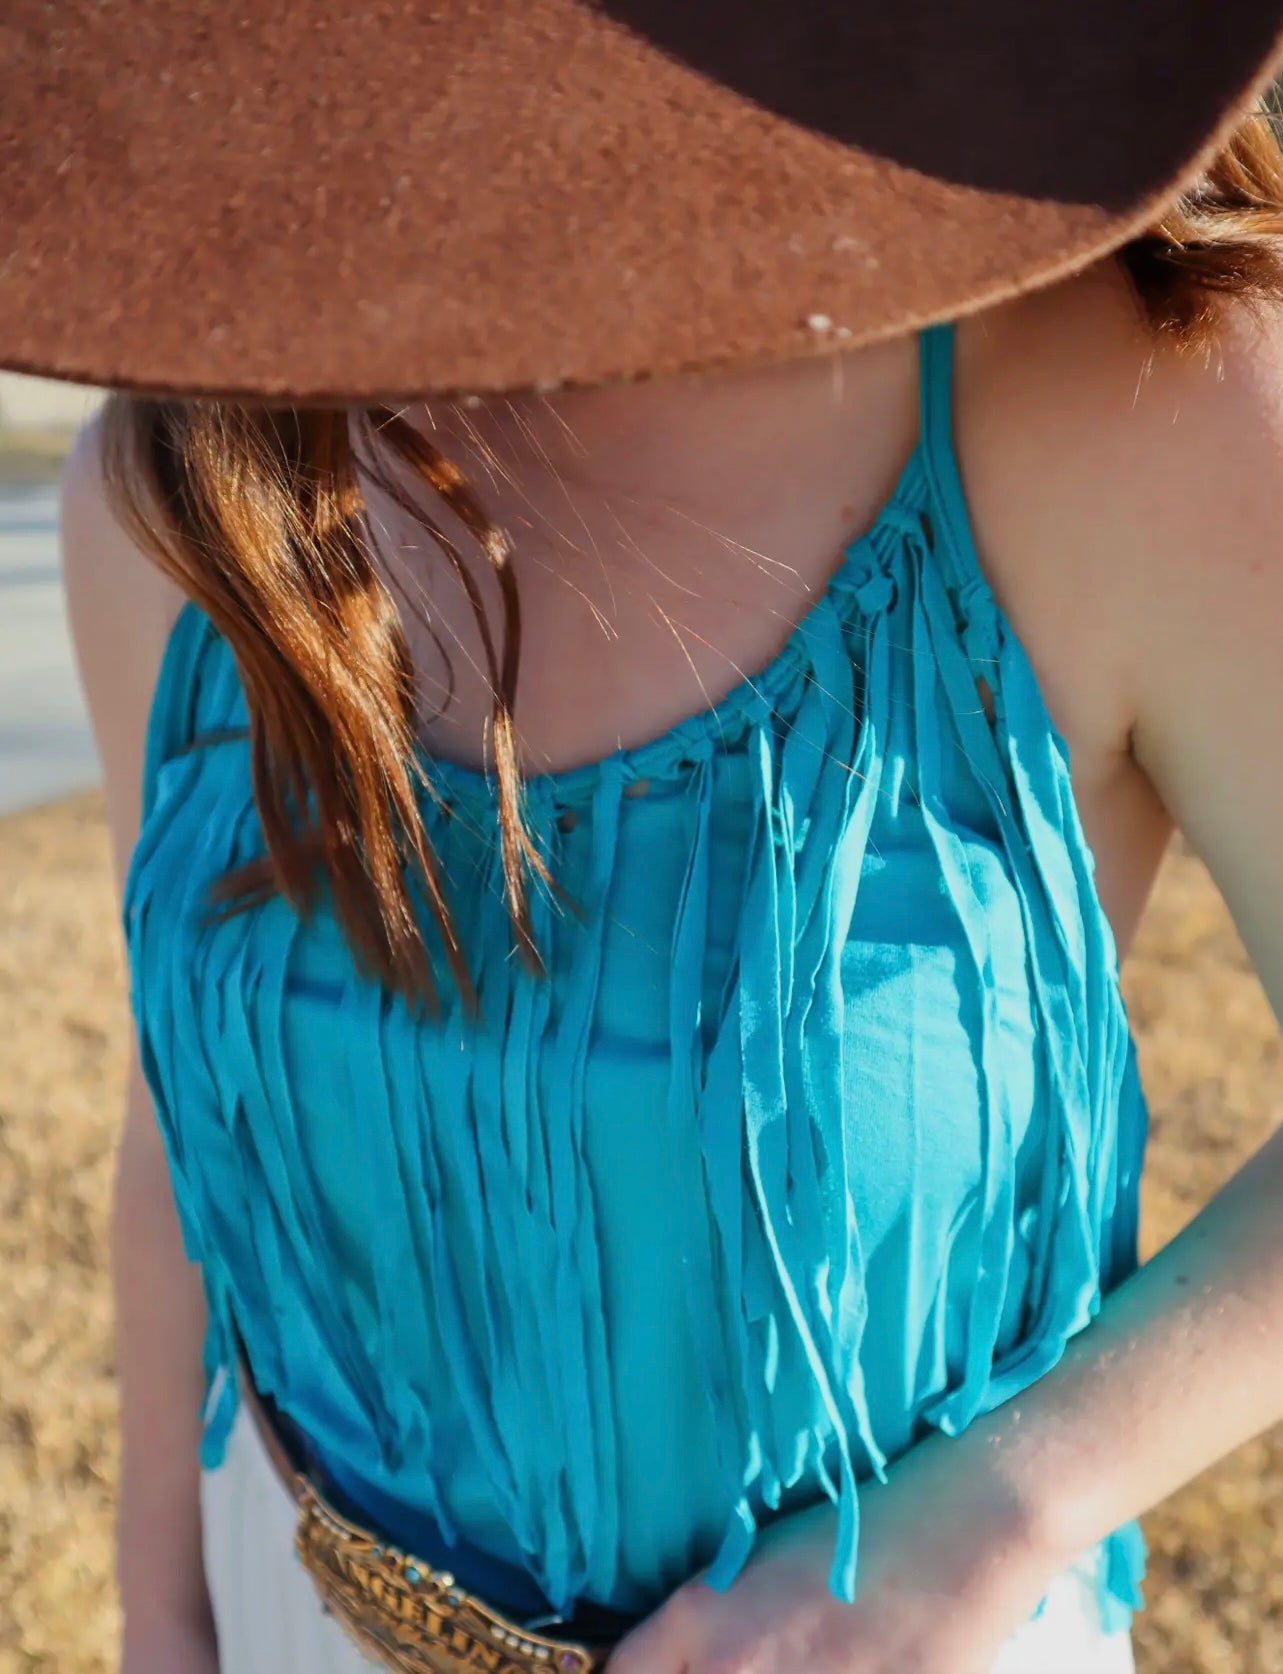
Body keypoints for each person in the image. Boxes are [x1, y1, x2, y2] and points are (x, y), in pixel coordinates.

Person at [7, 3, 1283, 1671]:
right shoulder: (186, 477)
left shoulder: (1139, 405)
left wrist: (1007, 1509)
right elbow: (184, 1115)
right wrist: (166, 1604)